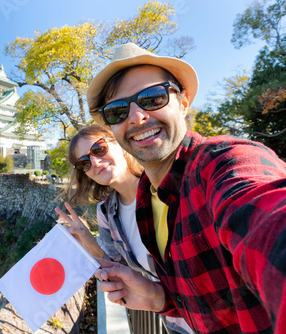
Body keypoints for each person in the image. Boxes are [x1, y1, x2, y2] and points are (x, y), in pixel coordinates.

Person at [87, 43, 286, 333]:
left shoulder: (223, 163)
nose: (136, 117)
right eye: (117, 111)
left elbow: (265, 218)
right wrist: (160, 298)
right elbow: (209, 296)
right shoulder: (147, 197)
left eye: (152, 98)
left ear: (183, 102)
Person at [55, 124, 193, 334]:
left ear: (119, 142)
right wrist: (88, 241)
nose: (95, 162)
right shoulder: (107, 211)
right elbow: (119, 270)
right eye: (84, 162)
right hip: (178, 324)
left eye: (99, 149)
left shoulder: (166, 186)